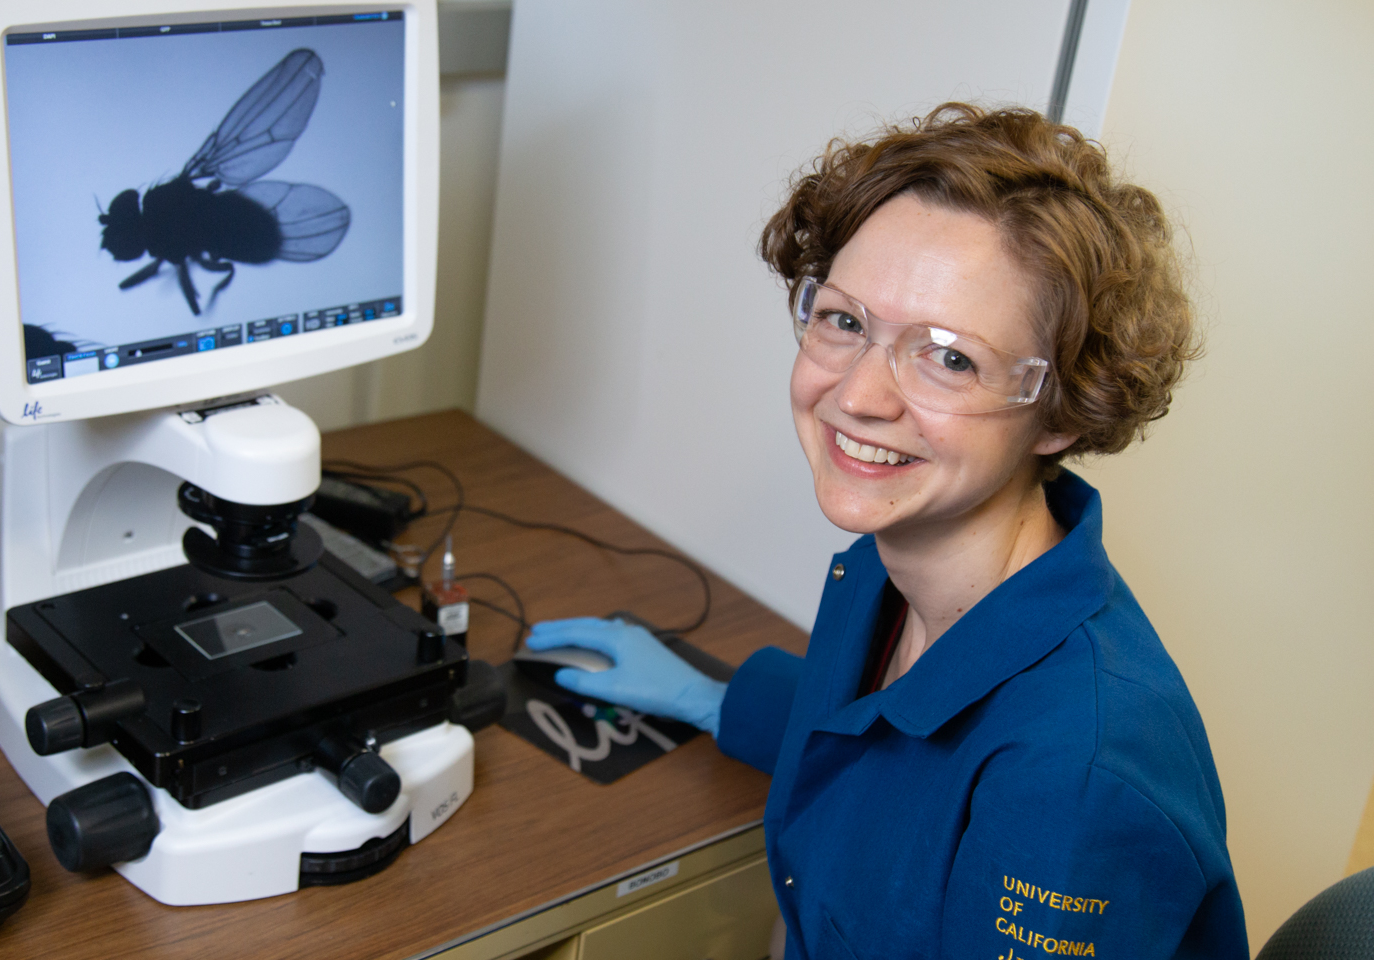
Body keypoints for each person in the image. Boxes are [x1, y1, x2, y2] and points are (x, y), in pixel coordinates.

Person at [524, 103, 1250, 959]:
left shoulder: (1075, 784)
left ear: (1061, 409)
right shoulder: (891, 569)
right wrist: (715, 699)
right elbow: (895, 745)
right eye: (844, 320)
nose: (860, 395)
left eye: (949, 357)